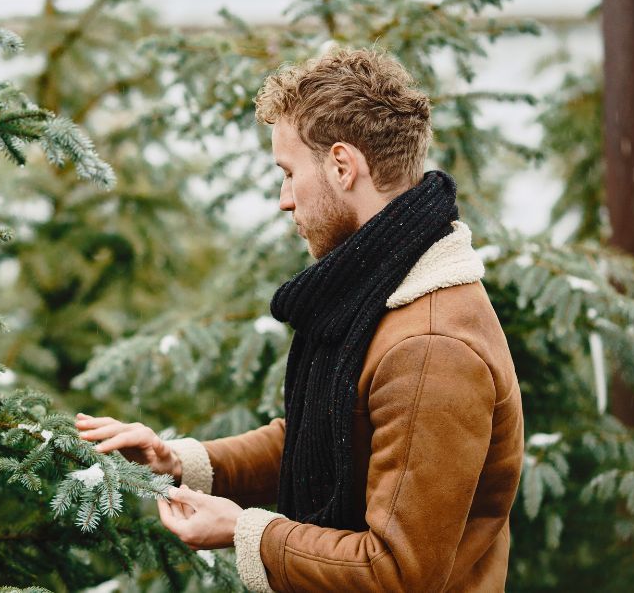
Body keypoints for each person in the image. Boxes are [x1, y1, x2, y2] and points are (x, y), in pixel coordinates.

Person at [75, 47, 524, 592]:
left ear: (342, 165)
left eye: (289, 173)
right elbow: (332, 439)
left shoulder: (429, 349)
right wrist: (179, 462)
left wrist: (246, 531)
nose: (284, 200)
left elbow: (396, 573)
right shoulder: (378, 295)